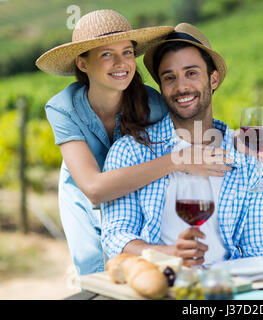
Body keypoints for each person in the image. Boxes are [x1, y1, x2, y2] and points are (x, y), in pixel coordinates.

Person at [36, 11, 231, 275]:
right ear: (83, 64)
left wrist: (237, 141)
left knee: (130, 268)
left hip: (131, 191)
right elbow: (93, 188)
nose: (121, 63)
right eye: (107, 54)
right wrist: (178, 161)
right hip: (81, 191)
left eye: (127, 52)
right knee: (93, 270)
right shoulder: (63, 108)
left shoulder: (152, 103)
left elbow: (194, 118)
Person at [101, 23, 263, 267]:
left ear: (213, 79)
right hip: (161, 284)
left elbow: (261, 251)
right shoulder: (131, 151)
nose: (181, 87)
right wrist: (167, 254)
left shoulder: (247, 155)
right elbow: (115, 236)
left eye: (191, 73)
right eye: (169, 78)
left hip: (227, 288)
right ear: (161, 87)